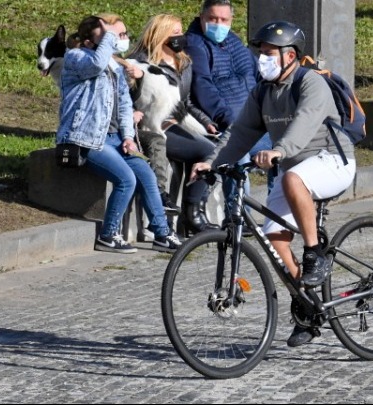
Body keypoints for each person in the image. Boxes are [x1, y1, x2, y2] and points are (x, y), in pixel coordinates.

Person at [190, 21, 356, 347]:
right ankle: (308, 307)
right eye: (261, 53)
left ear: (289, 55)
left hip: (333, 160)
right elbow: (239, 134)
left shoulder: (311, 84)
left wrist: (279, 150)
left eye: (268, 53)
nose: (261, 59)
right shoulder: (263, 91)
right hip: (292, 166)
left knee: (293, 178)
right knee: (274, 239)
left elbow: (304, 124)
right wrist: (212, 162)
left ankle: (314, 254)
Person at [57, 15, 183, 254]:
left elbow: (125, 104)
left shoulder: (115, 65)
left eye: (122, 35)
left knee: (146, 174)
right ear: (87, 42)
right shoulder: (76, 57)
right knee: (126, 179)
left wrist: (128, 136)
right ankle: (108, 234)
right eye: (111, 36)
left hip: (115, 138)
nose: (118, 40)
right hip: (87, 138)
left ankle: (162, 234)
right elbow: (95, 65)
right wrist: (109, 37)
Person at [126, 13, 222, 235]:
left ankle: (193, 212)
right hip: (150, 129)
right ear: (160, 35)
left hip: (176, 122)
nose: (181, 38)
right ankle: (192, 216)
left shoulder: (183, 62)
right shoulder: (138, 63)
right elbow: (126, 99)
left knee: (214, 146)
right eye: (175, 33)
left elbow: (185, 102)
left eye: (181, 32)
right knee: (209, 151)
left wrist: (206, 123)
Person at [185, 0, 274, 223]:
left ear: (231, 20)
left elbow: (259, 76)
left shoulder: (235, 42)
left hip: (257, 122)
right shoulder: (195, 44)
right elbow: (202, 85)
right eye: (213, 19)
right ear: (202, 17)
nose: (218, 24)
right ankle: (238, 218)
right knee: (237, 156)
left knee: (281, 152)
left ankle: (278, 212)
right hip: (229, 124)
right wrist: (229, 118)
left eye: (224, 20)